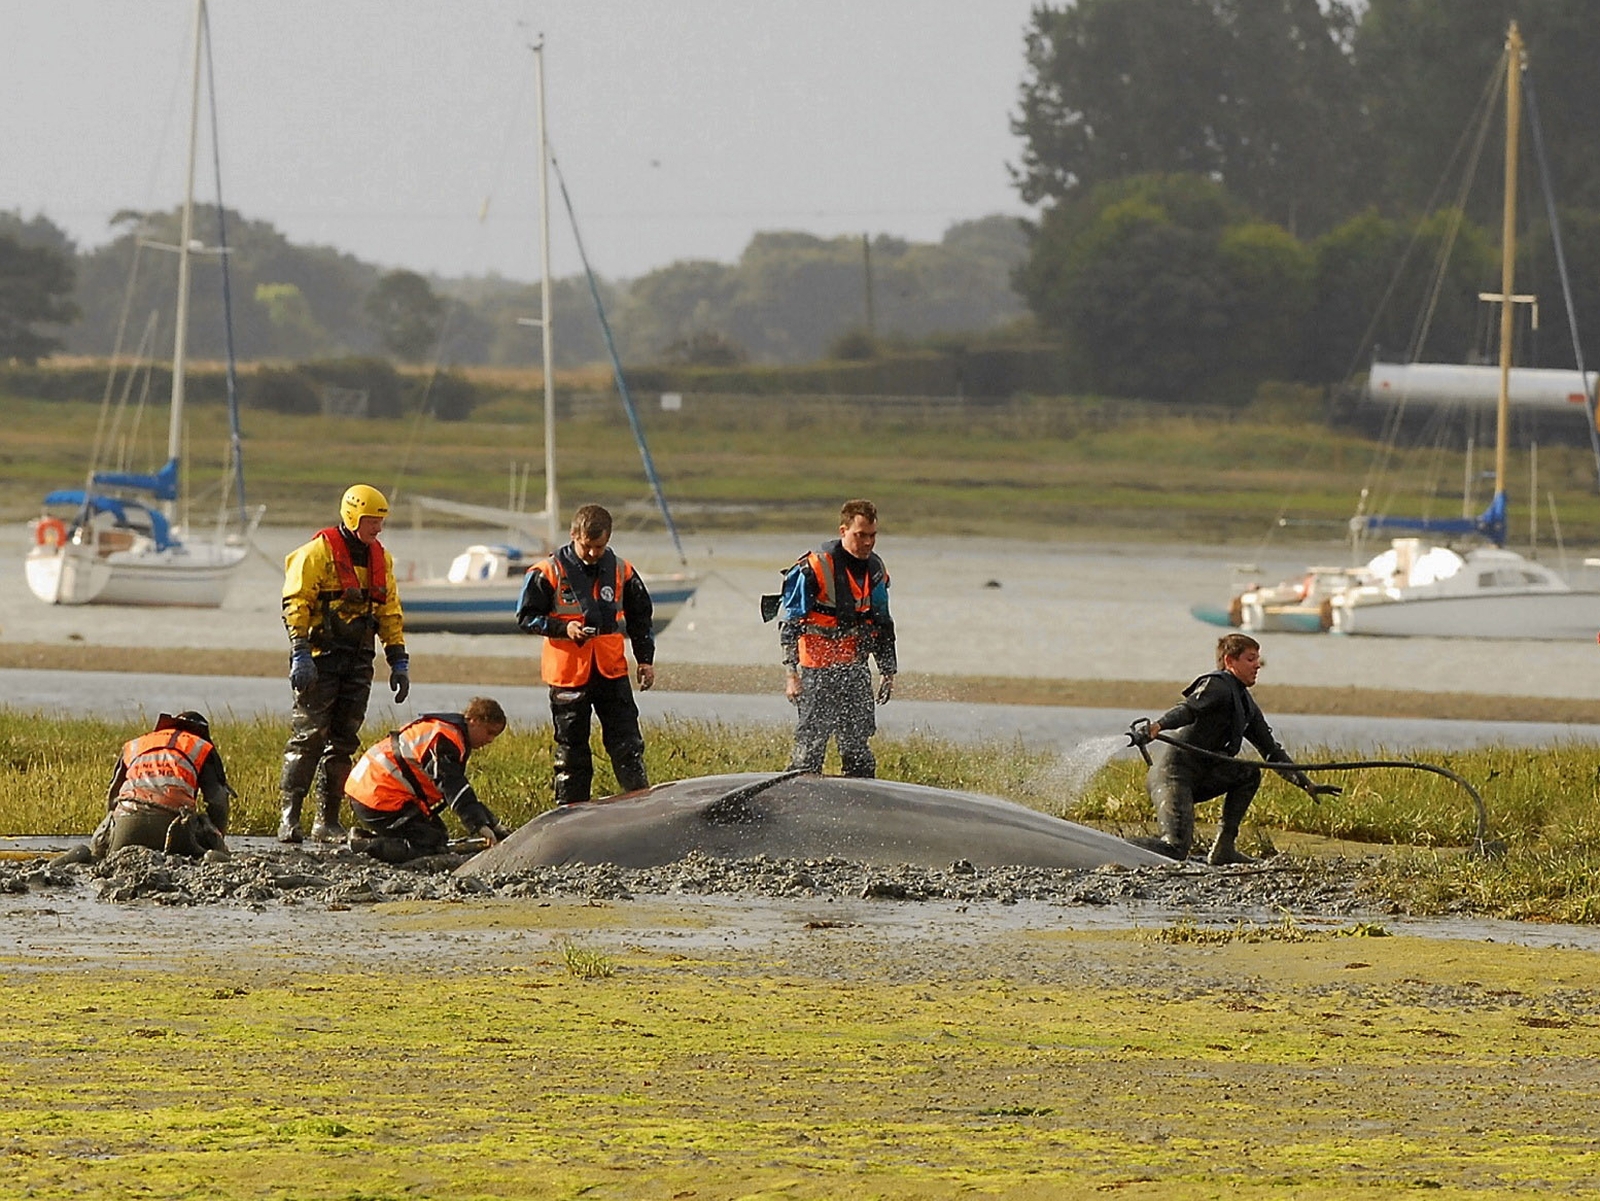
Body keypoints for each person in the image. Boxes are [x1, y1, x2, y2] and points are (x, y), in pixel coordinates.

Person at [1129, 633, 1340, 865]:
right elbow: (1188, 710)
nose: (1257, 665)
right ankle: (1114, 846)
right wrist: (1159, 726)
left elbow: (1271, 752)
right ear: (1230, 661)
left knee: (1248, 773)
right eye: (1250, 659)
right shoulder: (1216, 684)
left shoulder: (1246, 703)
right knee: (1175, 848)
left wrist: (1306, 783)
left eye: (1257, 659)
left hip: (1201, 776)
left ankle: (1224, 849)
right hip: (1173, 777)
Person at [277, 483, 409, 844]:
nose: (377, 529)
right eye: (372, 521)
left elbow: (389, 610)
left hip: (358, 661)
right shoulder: (316, 554)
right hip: (319, 659)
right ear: (353, 516)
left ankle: (327, 820)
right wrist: (300, 651)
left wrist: (398, 659)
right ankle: (289, 816)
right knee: (308, 738)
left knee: (343, 741)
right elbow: (296, 603)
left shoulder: (382, 559)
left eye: (381, 522)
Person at [516, 504, 655, 805]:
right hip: (568, 674)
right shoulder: (546, 572)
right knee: (571, 749)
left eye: (599, 546)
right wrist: (563, 629)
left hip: (611, 670)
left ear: (609, 539)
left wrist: (645, 660)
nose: (593, 553)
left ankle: (639, 802)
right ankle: (569, 810)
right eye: (587, 546)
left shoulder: (622, 570)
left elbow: (641, 618)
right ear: (573, 535)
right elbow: (526, 617)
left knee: (627, 743)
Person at [772, 498, 896, 777]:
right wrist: (791, 674)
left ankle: (861, 803)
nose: (867, 543)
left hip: (855, 667)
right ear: (844, 531)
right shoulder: (816, 566)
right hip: (817, 669)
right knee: (810, 747)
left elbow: (883, 623)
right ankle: (800, 799)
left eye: (872, 536)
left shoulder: (876, 570)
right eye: (860, 535)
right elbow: (790, 623)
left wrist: (888, 670)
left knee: (858, 748)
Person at [344, 696, 512, 863]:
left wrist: (492, 823)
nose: (490, 740)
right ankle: (364, 845)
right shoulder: (445, 739)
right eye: (489, 732)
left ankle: (371, 839)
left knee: (436, 834)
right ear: (473, 720)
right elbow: (451, 785)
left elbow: (457, 787)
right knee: (429, 841)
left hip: (372, 791)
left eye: (495, 736)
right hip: (376, 796)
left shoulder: (446, 732)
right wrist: (479, 826)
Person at [88, 710, 232, 860]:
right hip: (175, 830)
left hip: (124, 828)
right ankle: (214, 857)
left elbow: (113, 797)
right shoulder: (201, 746)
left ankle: (89, 856)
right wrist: (216, 839)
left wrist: (117, 830)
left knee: (98, 854)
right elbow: (218, 802)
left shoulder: (136, 745)